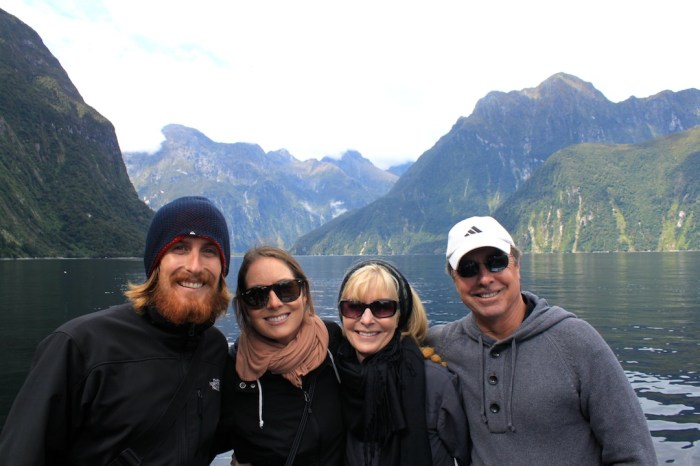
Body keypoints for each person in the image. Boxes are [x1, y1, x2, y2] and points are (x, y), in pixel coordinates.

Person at [0, 196, 232, 465]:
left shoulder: (214, 349)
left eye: (209, 251)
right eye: (180, 248)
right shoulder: (80, 346)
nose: (194, 266)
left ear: (222, 269)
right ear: (155, 262)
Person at [426, 215, 658, 465]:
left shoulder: (578, 342)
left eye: (496, 262)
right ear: (454, 279)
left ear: (516, 266)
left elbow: (634, 455)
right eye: (468, 269)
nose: (485, 278)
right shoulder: (441, 345)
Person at [216, 246, 344, 465]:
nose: (274, 303)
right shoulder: (232, 370)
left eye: (286, 289)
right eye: (257, 295)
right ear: (244, 308)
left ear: (304, 293)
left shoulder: (333, 344)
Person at [335, 259, 469, 466]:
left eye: (382, 307)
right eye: (353, 307)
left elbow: (463, 455)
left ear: (400, 316)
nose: (367, 320)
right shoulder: (333, 377)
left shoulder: (435, 383)